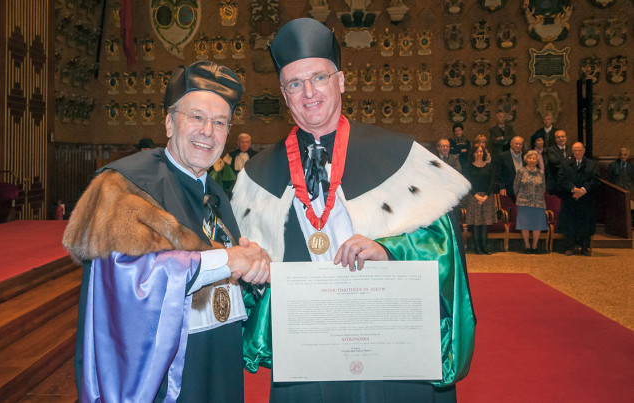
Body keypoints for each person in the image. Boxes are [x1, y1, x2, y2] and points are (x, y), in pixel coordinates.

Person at [231, 18, 475, 402]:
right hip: (307, 351)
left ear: (341, 81)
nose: (308, 92)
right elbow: (246, 295)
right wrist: (254, 270)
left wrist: (390, 250)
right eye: (295, 83)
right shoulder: (257, 176)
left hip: (388, 343)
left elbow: (446, 251)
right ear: (283, 93)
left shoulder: (401, 157)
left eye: (319, 78)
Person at [62, 60, 270, 402]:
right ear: (169, 123)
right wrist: (226, 260)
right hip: (163, 375)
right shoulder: (123, 187)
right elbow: (131, 281)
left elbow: (230, 276)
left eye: (220, 123)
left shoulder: (216, 193)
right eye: (197, 117)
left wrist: (254, 265)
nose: (208, 131)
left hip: (218, 359)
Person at [557, 142, 599, 256]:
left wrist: (583, 190)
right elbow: (561, 179)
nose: (577, 152)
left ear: (584, 150)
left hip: (586, 200)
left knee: (585, 223)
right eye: (575, 150)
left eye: (579, 150)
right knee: (570, 223)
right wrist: (573, 189)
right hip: (570, 199)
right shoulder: (565, 164)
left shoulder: (592, 164)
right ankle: (569, 246)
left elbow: (595, 180)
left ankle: (585, 247)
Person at [463, 144, 497, 255]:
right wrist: (476, 195)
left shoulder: (489, 167)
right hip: (473, 197)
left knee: (485, 223)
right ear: (473, 153)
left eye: (481, 152)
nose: (479, 154)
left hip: (487, 197)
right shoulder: (468, 167)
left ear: (484, 153)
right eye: (477, 152)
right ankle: (477, 247)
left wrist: (486, 196)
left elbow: (492, 183)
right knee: (476, 223)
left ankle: (484, 247)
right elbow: (467, 183)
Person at [514, 150, 548, 254]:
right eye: (529, 158)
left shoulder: (541, 173)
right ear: (526, 159)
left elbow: (543, 188)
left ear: (537, 160)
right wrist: (521, 197)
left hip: (538, 203)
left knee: (536, 225)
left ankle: (535, 246)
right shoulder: (521, 171)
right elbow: (516, 187)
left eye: (534, 158)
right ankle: (527, 246)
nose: (531, 160)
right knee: (524, 224)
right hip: (523, 203)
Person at [497, 136, 524, 201]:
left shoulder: (526, 156)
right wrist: (502, 187)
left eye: (520, 144)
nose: (518, 146)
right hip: (508, 190)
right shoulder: (502, 156)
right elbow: (498, 173)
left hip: (523, 190)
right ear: (511, 144)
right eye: (516, 143)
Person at [545, 129, 572, 195]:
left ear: (566, 137)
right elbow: (554, 160)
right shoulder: (550, 150)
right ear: (555, 139)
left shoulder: (571, 149)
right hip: (555, 184)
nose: (561, 139)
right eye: (558, 137)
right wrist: (568, 159)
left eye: (563, 136)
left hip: (568, 183)